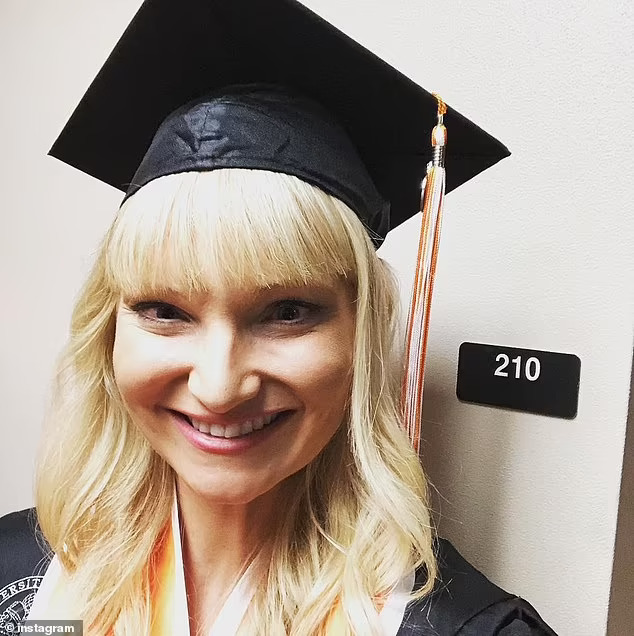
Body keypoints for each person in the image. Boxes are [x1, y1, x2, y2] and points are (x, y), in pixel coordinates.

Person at [0, 0, 557, 634]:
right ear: (109, 332)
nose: (219, 387)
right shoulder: (16, 578)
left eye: (287, 312)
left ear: (361, 334)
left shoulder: (460, 627)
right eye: (164, 310)